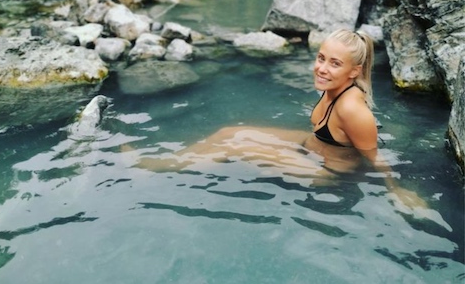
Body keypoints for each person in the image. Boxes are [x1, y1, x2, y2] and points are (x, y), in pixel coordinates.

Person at [131, 29, 427, 209]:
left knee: (238, 147)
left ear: (354, 71)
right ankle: (165, 162)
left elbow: (375, 158)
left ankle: (153, 169)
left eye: (334, 63)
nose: (321, 68)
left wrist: (397, 189)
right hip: (310, 148)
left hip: (328, 172)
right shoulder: (332, 87)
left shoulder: (352, 108)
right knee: (231, 132)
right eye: (321, 58)